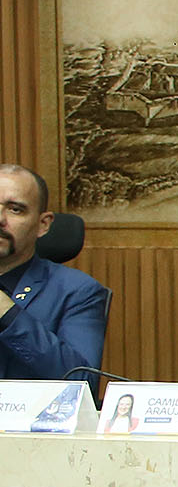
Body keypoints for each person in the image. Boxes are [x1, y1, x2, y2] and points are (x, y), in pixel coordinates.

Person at [0, 163, 109, 382]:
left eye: (15, 209)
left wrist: (8, 313)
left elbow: (81, 381)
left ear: (43, 224)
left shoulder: (77, 291)